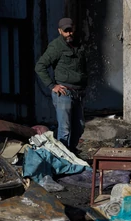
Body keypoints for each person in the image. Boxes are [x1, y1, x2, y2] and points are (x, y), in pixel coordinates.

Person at [35, 17, 88, 153]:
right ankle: (62, 156)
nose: (69, 33)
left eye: (71, 30)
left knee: (79, 127)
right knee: (65, 129)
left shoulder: (79, 44)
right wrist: (52, 86)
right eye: (66, 31)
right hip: (64, 93)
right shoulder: (56, 46)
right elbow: (40, 66)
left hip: (78, 93)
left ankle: (71, 153)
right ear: (60, 31)